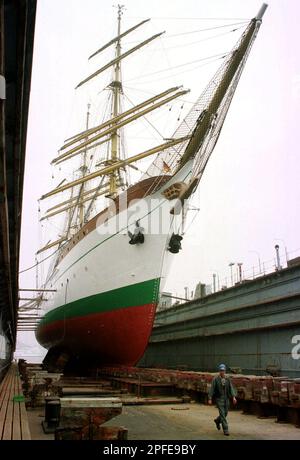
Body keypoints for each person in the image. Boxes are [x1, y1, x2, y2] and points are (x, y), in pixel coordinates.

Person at [208, 364, 237, 436]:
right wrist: (210, 398)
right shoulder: (215, 379)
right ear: (219, 371)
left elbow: (231, 388)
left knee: (225, 413)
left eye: (223, 370)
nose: (222, 372)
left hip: (226, 398)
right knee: (222, 414)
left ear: (225, 371)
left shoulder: (227, 379)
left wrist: (233, 397)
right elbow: (212, 389)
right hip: (219, 398)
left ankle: (217, 421)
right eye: (221, 370)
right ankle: (226, 429)